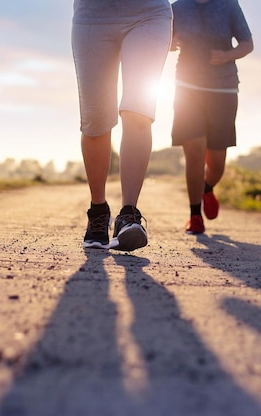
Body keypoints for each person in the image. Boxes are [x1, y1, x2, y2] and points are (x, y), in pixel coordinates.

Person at [72, 0, 173, 251]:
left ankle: (128, 215)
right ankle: (98, 212)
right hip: (93, 15)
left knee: (138, 109)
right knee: (96, 120)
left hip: (148, 13)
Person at [171, 0, 253, 234]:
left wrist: (226, 56)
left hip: (223, 90)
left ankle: (207, 188)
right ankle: (195, 215)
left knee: (216, 164)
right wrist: (170, 43)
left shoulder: (228, 5)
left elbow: (247, 44)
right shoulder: (177, 7)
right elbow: (161, 40)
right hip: (187, 88)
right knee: (195, 150)